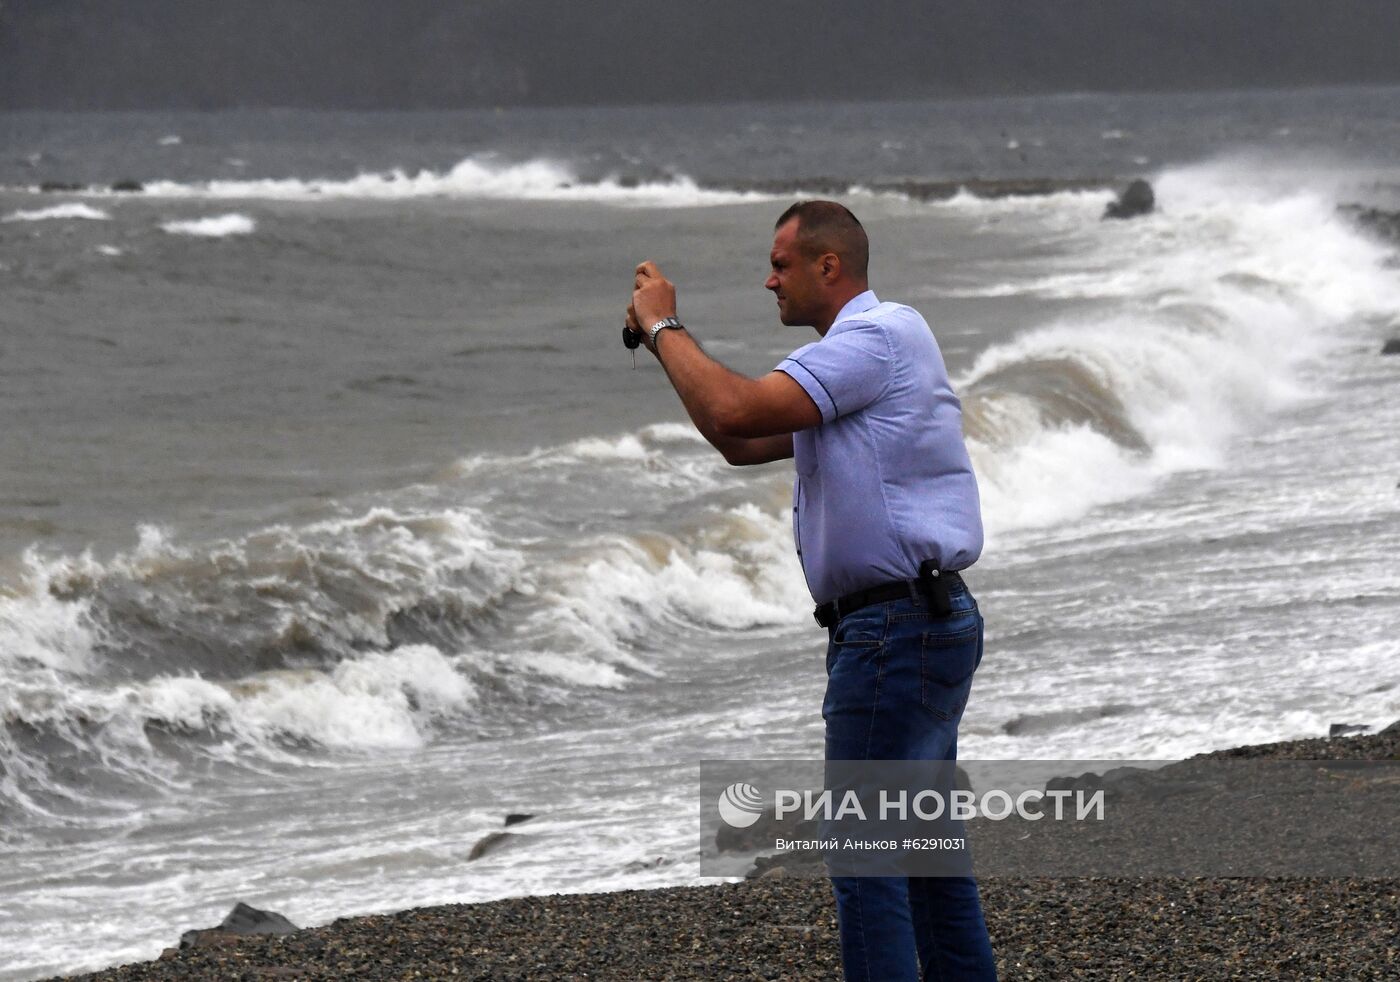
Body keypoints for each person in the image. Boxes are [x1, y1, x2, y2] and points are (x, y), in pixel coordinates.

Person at [627, 200, 996, 981]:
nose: (770, 281)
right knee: (926, 852)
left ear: (830, 266)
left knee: (867, 857)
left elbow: (734, 406)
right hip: (922, 619)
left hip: (896, 629)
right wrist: (667, 345)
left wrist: (664, 325)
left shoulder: (875, 338)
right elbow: (738, 438)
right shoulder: (867, 356)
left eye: (782, 264)